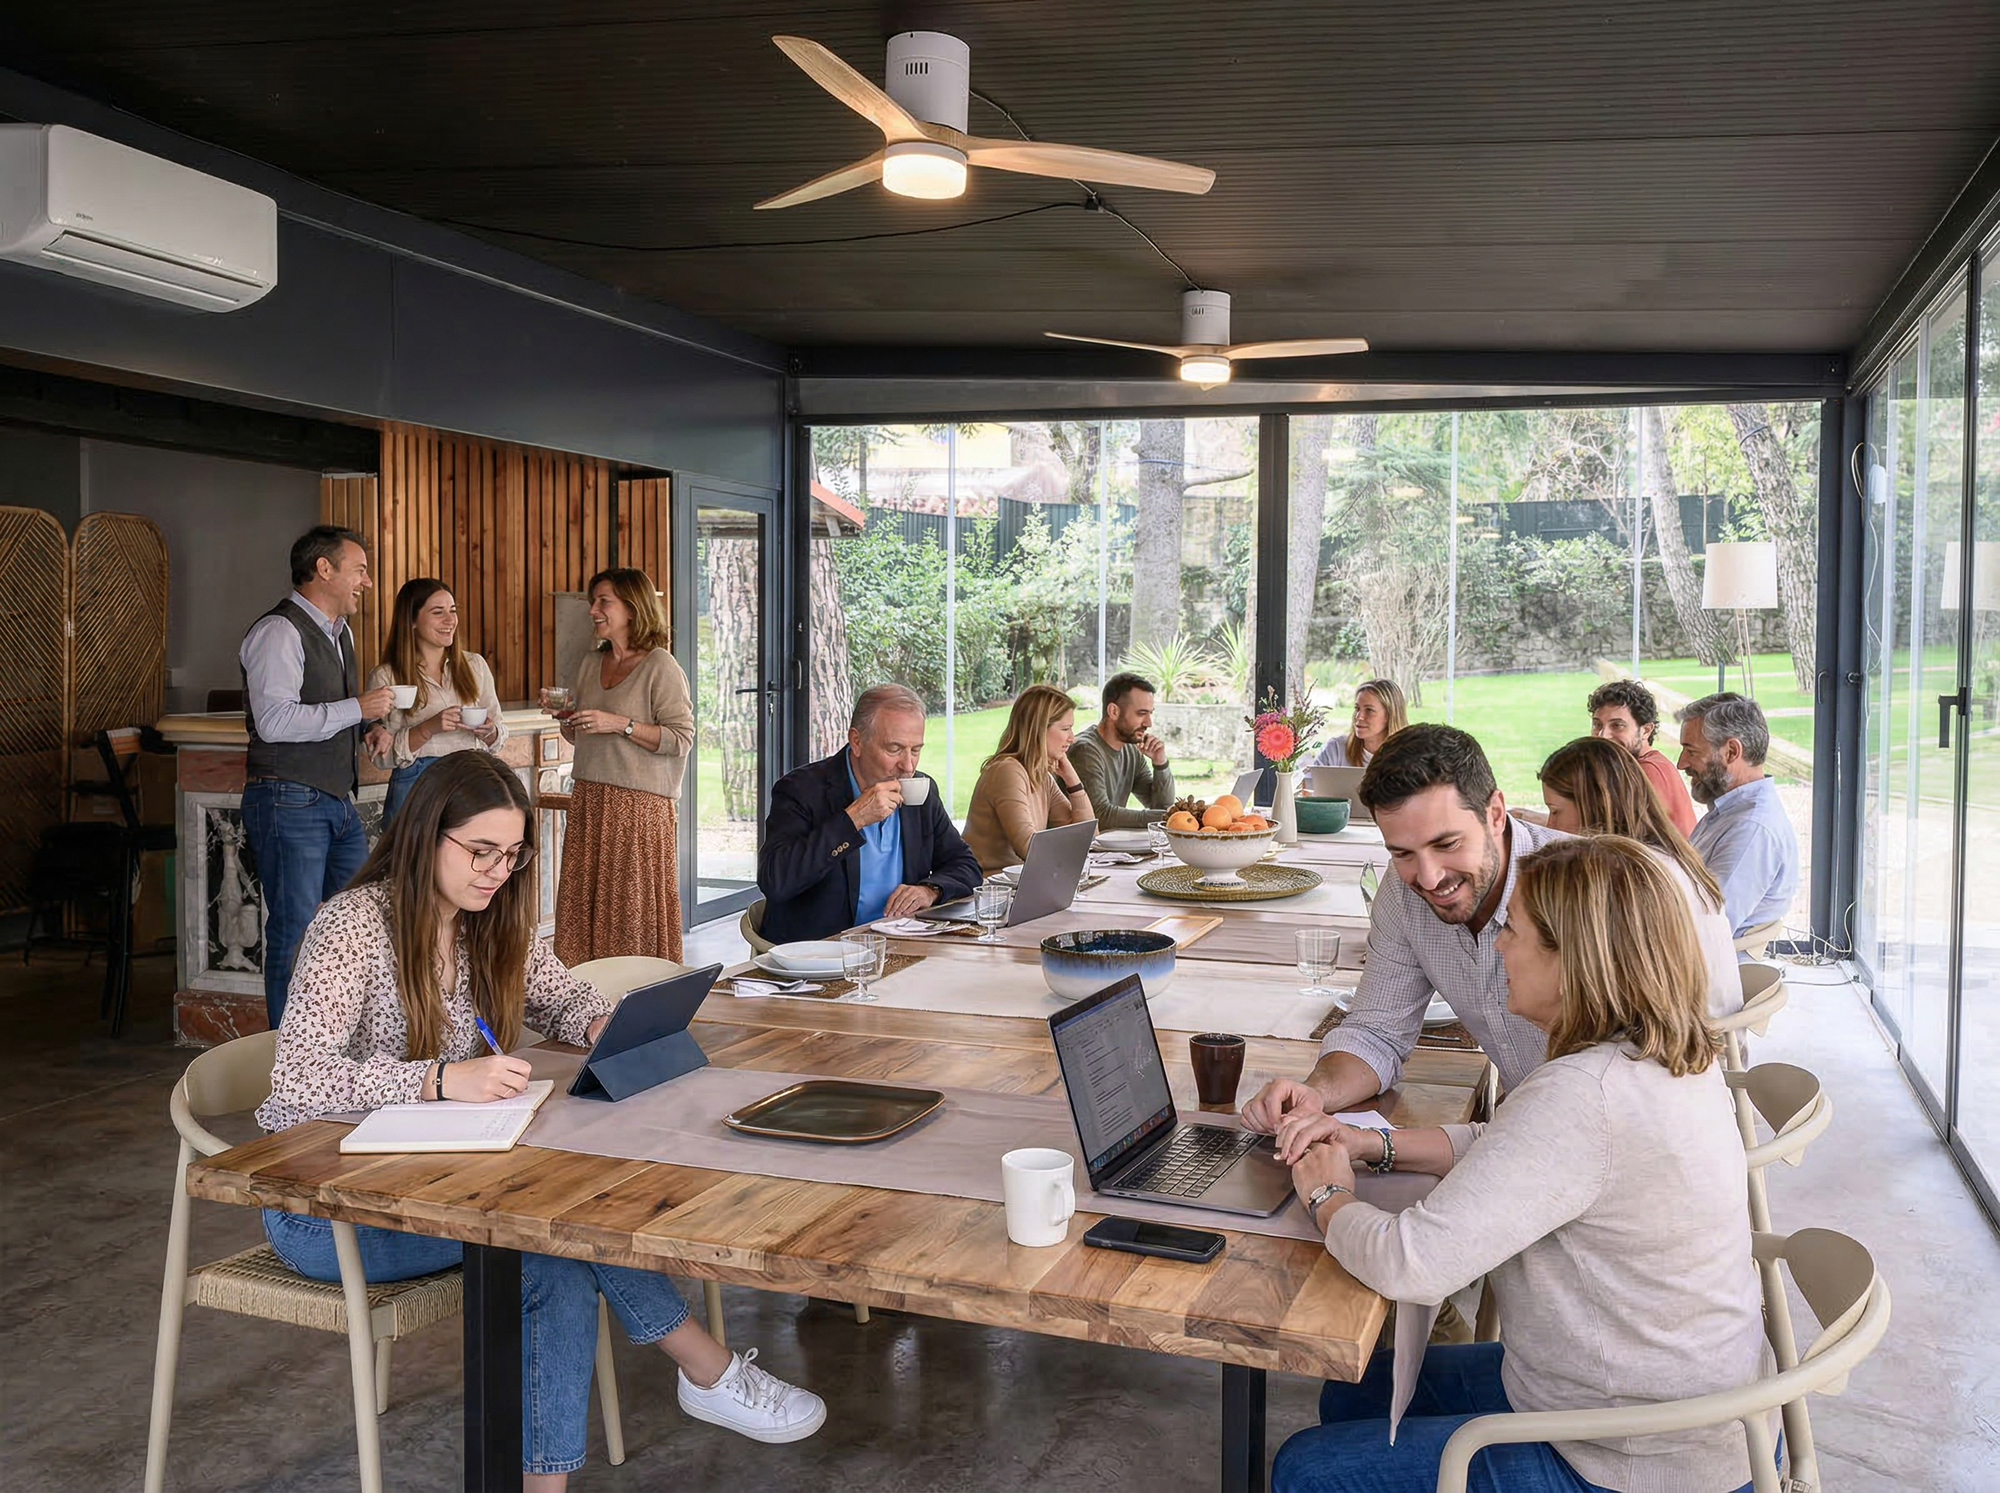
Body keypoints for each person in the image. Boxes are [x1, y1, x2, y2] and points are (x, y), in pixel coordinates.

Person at [257, 754, 825, 1486]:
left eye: (512, 853)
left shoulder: (489, 921)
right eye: (480, 851)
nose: (497, 871)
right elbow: (296, 1077)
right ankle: (703, 1366)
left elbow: (558, 997)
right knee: (550, 1240)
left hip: (440, 1177)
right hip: (326, 1204)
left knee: (552, 1241)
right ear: (426, 835)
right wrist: (437, 1078)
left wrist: (593, 1021)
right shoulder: (352, 927)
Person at [1268, 836, 1768, 1493]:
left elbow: (1409, 1263)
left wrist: (1325, 1193)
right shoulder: (1657, 1056)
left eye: (1517, 930)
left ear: (1574, 960)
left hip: (1631, 1461)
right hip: (1680, 1412)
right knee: (1354, 1395)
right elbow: (1517, 1149)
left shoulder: (1585, 1094)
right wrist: (1376, 1144)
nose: (1496, 944)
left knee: (1306, 1470)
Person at [1242, 725, 1566, 1137]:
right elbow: (1377, 1031)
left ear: (1496, 813)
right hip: (1532, 1128)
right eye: (1403, 853)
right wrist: (1314, 1093)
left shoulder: (1595, 889)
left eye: (1447, 844)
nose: (1429, 878)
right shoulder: (1401, 893)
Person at [239, 524, 394, 1029]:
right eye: (360, 570)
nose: (366, 582)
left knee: (364, 917)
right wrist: (357, 708)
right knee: (295, 927)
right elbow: (276, 721)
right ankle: (290, 1063)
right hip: (286, 799)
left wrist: (368, 726)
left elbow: (328, 709)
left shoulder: (340, 632)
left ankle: (345, 1039)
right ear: (323, 569)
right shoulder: (277, 632)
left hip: (333, 800)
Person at [757, 684, 982, 943]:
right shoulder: (801, 790)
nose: (908, 766)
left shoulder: (921, 791)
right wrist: (853, 819)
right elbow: (776, 881)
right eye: (894, 749)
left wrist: (929, 890)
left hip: (901, 945)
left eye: (916, 750)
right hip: (821, 954)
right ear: (857, 741)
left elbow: (966, 866)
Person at [1536, 737, 1740, 1017]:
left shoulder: (1632, 875)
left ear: (1595, 804)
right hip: (1702, 1026)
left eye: (1556, 811)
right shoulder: (1663, 855)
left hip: (1689, 1038)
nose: (1551, 826)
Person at [552, 567, 695, 965]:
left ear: (632, 608)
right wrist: (569, 722)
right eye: (592, 602)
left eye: (603, 602)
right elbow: (580, 737)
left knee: (628, 915)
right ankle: (585, 1003)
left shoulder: (660, 666)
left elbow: (681, 739)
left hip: (638, 809)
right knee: (583, 912)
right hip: (589, 802)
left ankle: (632, 1000)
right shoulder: (588, 663)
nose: (593, 610)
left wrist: (620, 724)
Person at [366, 577, 505, 825]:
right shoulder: (386, 676)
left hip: (471, 778)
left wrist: (489, 731)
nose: (450, 620)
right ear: (411, 621)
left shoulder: (475, 666)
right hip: (416, 784)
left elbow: (500, 736)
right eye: (438, 612)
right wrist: (428, 728)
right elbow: (381, 757)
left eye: (453, 611)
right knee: (412, 863)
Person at [1676, 692, 1799, 943]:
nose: (1681, 763)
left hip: (1703, 975)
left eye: (1690, 751)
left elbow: (1704, 929)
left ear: (1731, 751)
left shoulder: (1751, 830)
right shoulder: (1728, 812)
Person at [963, 684, 1094, 874]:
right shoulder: (1007, 771)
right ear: (1039, 730)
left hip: (1021, 883)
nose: (1072, 738)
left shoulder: (1040, 776)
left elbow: (1087, 838)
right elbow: (1028, 847)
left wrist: (1072, 780)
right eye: (1066, 729)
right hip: (989, 889)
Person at [1585, 677, 1696, 836]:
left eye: (1617, 726)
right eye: (1597, 725)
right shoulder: (1631, 767)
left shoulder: (1649, 772)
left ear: (1646, 730)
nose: (1603, 736)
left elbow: (1621, 843)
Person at [1067, 671, 1176, 830]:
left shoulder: (1131, 749)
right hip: (1084, 852)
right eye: (1141, 714)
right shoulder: (1085, 750)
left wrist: (1160, 764)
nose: (1148, 723)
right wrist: (1174, 817)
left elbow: (1160, 805)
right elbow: (1101, 816)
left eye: (1150, 714)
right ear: (1113, 712)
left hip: (1112, 851)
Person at [1311, 678, 1408, 768]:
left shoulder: (1411, 757)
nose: (1359, 716)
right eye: (1357, 709)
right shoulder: (1335, 750)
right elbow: (1310, 783)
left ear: (1390, 715)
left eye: (1369, 710)